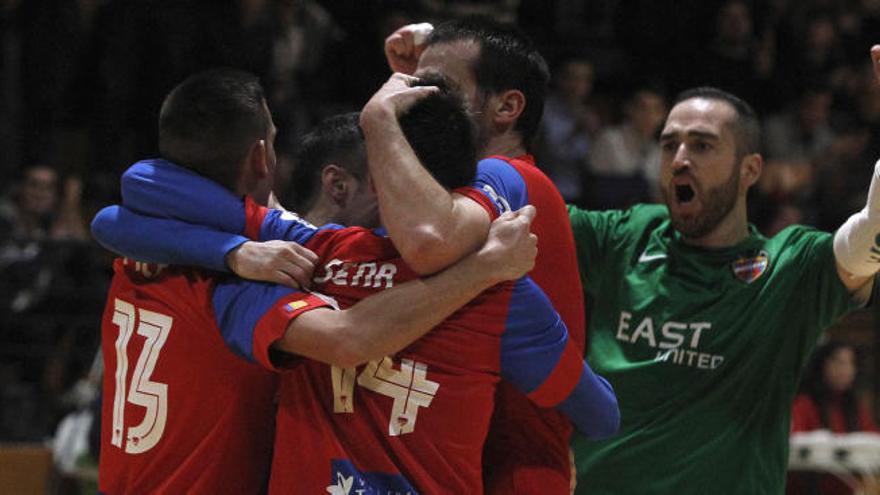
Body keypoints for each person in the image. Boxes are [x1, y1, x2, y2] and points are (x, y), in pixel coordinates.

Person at [91, 78, 619, 492]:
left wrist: (234, 250)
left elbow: (127, 202)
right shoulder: (505, 291)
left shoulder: (308, 257)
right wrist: (483, 271)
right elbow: (600, 414)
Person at [567, 45, 880, 494]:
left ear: (750, 169)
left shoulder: (787, 267)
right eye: (669, 144)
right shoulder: (627, 234)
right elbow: (511, 204)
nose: (679, 159)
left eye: (702, 145)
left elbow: (870, 235)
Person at [381, 19, 586, 493]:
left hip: (510, 475)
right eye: (418, 87)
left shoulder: (511, 178)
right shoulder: (462, 190)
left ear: (507, 107)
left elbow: (425, 239)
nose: (420, 100)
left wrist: (382, 115)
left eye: (439, 89)